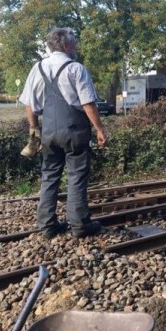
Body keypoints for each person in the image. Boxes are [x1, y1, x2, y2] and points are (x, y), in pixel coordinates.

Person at [19, 27, 107, 239]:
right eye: (74, 43)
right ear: (66, 45)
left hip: (48, 132)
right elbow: (88, 103)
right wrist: (99, 129)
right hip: (74, 131)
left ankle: (47, 226)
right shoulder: (76, 69)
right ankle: (79, 225)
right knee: (76, 176)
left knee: (49, 175)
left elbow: (29, 104)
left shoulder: (37, 68)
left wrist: (34, 129)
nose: (76, 47)